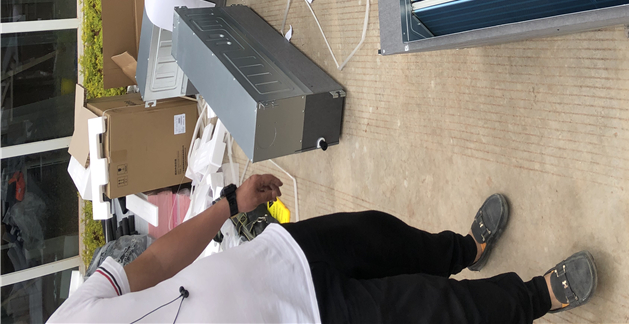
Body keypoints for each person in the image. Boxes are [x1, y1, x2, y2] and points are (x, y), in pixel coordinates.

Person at [49, 173, 598, 323]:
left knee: (390, 238)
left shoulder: (67, 319)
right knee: (442, 310)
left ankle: (465, 251)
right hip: (315, 317)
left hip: (283, 254)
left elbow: (152, 264)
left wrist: (228, 205)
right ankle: (539, 297)